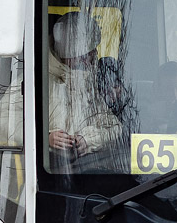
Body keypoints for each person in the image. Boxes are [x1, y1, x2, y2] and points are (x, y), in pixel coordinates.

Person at [46, 11, 124, 163]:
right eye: (88, 52)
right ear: (70, 54)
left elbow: (114, 128)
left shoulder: (88, 85)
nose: (94, 56)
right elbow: (4, 122)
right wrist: (46, 137)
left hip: (84, 170)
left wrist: (87, 140)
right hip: (44, 171)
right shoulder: (37, 80)